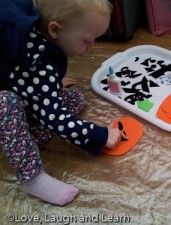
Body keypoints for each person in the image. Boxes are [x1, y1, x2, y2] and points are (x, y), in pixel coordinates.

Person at [0, 0, 127, 206]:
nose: (92, 47)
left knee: (75, 99)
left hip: (14, 81)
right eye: (87, 40)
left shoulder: (39, 41)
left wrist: (51, 85)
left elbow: (24, 72)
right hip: (6, 100)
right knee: (6, 104)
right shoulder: (40, 62)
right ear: (55, 30)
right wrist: (100, 136)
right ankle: (33, 178)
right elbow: (56, 119)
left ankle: (28, 138)